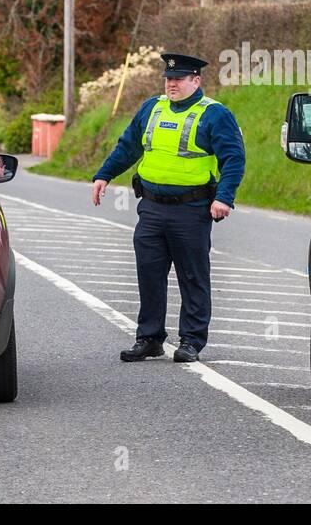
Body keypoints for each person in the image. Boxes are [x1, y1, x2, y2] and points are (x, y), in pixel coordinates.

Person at [91, 52, 245, 364]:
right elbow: (129, 145)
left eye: (178, 79)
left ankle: (191, 341)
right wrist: (104, 175)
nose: (171, 84)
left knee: (192, 277)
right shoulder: (152, 108)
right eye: (168, 78)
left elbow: (234, 158)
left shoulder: (215, 114)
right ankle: (149, 338)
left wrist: (224, 197)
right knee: (149, 274)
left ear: (196, 81)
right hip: (151, 208)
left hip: (192, 210)